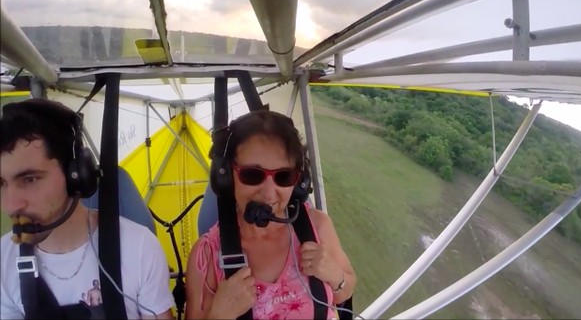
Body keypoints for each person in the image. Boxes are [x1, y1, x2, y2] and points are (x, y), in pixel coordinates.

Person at [0, 98, 174, 319]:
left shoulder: (139, 248)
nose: (10, 205)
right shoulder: (3, 261)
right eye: (1, 183)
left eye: (30, 179)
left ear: (77, 175)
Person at [185, 110, 355, 319]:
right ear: (228, 176)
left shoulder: (317, 227)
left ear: (300, 182)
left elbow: (346, 292)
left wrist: (333, 274)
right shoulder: (207, 256)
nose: (268, 193)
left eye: (284, 176)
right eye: (252, 174)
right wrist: (219, 316)